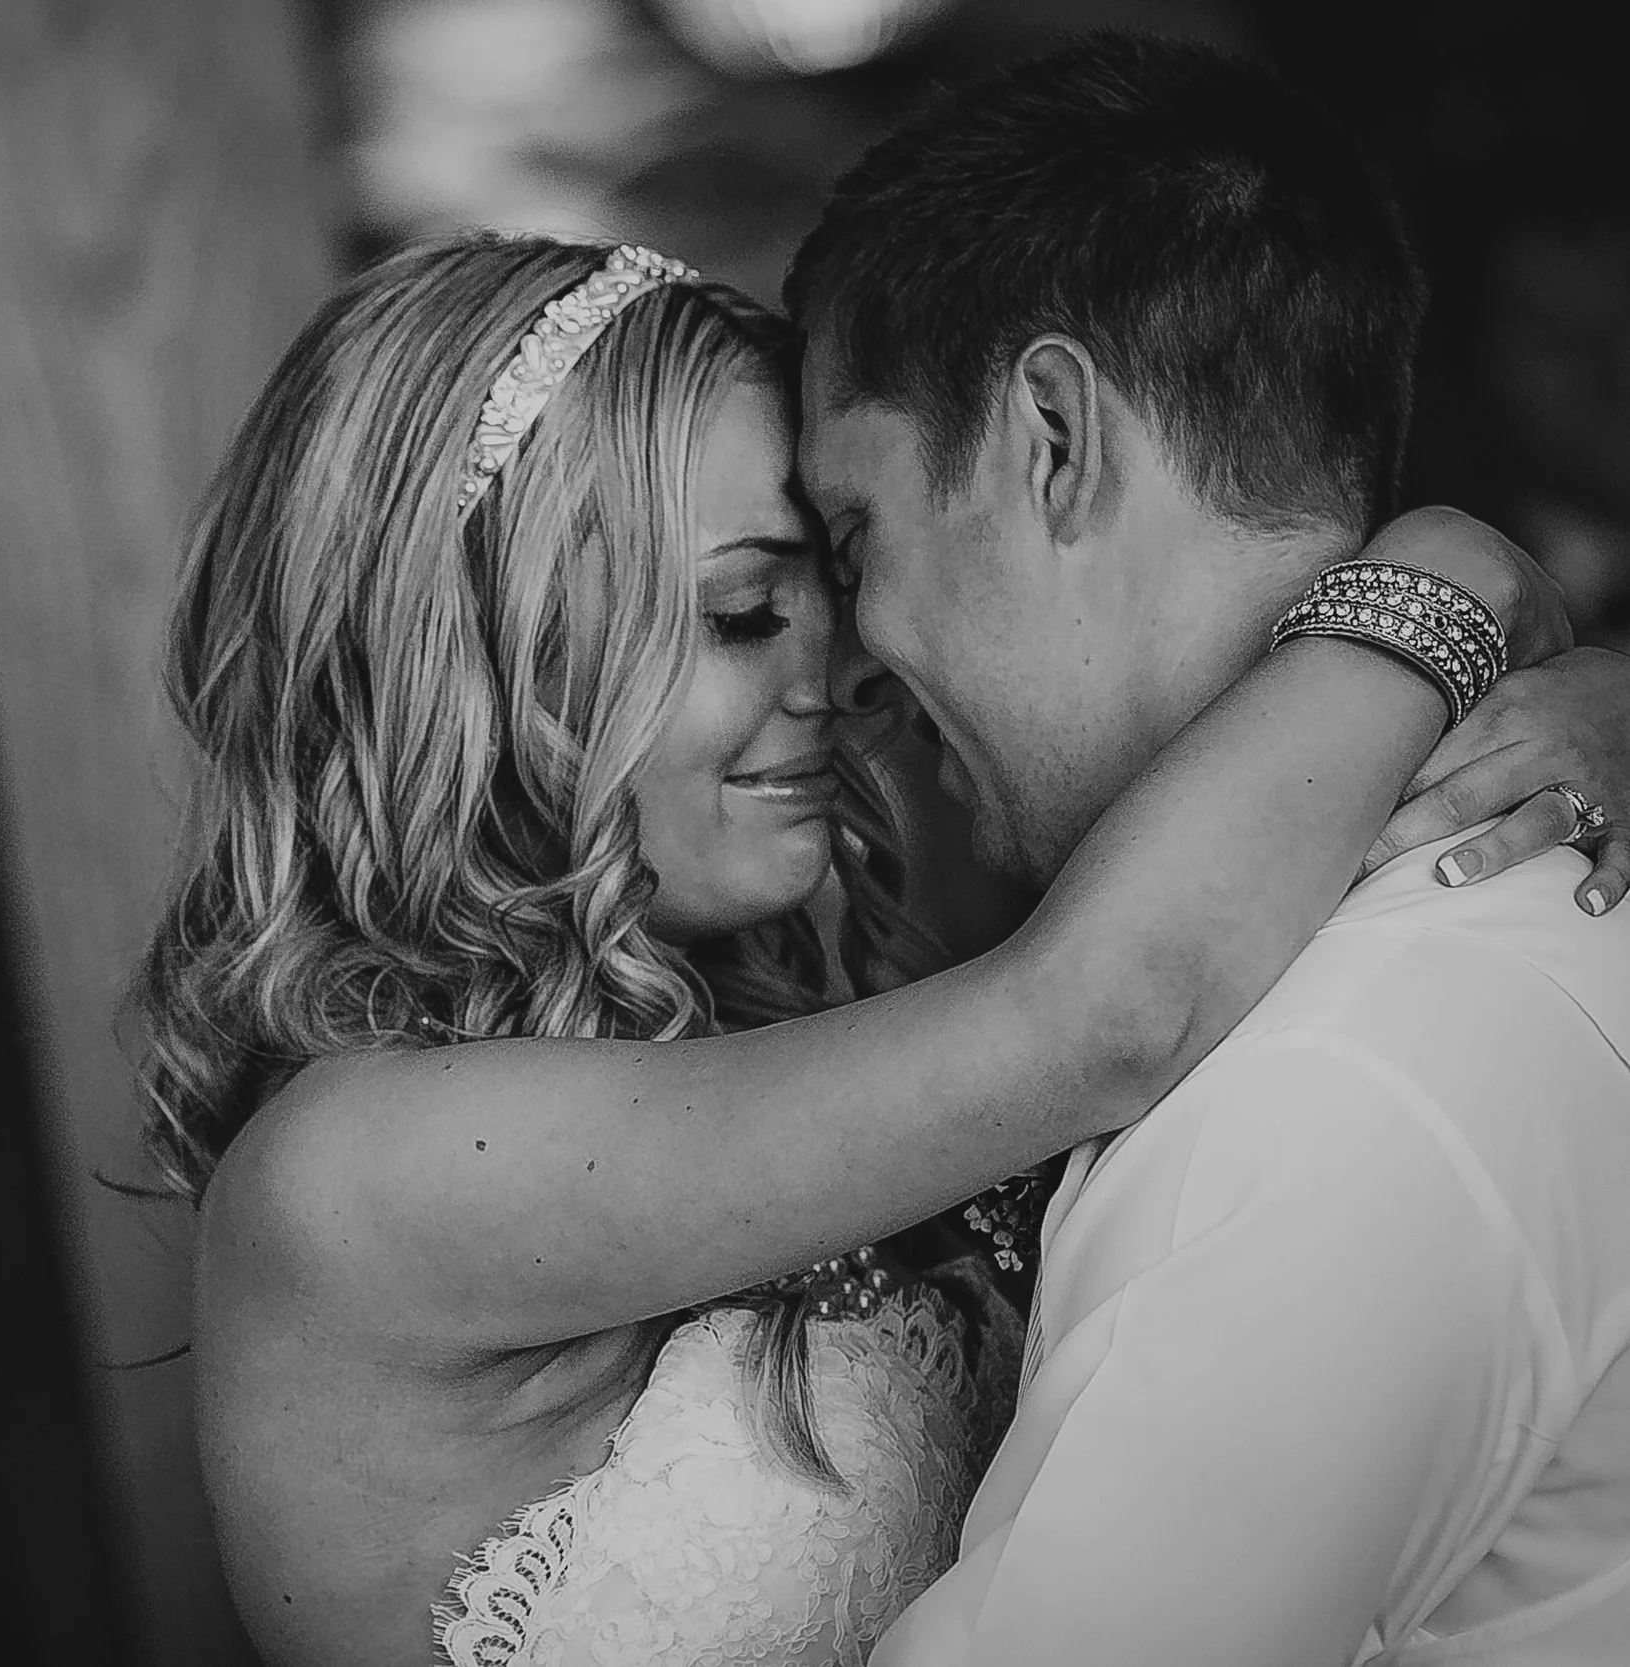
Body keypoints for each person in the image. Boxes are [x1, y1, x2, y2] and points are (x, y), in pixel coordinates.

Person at [134, 224, 1630, 1664]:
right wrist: (1451, 579)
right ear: (468, 644)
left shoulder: (803, 1019)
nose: (842, 675)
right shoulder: (355, 1174)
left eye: (831, 592)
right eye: (740, 610)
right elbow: (1109, 1009)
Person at [770, 35, 1630, 1667]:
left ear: (1050, 437)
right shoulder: (1486, 919)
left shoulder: (1333, 1077)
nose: (851, 671)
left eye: (852, 538)